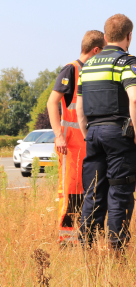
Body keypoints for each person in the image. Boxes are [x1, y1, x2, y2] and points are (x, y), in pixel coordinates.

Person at [76, 14, 136, 249]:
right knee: (120, 190)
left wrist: (86, 134)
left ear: (106, 35)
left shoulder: (88, 64)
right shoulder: (127, 62)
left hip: (92, 134)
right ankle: (115, 248)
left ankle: (86, 245)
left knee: (93, 192)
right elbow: (134, 100)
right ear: (128, 36)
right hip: (118, 135)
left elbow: (79, 107)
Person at [47, 30, 105, 245]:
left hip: (87, 143)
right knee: (71, 194)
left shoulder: (90, 71)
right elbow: (52, 102)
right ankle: (67, 242)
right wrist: (58, 135)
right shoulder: (71, 69)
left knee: (88, 192)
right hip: (70, 144)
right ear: (96, 50)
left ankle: (83, 239)